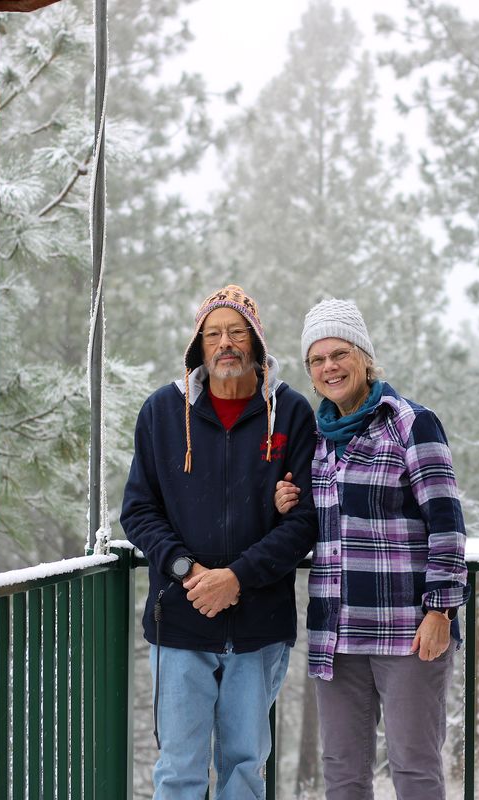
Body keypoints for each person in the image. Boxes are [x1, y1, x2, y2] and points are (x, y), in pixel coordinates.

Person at [121, 284, 318, 800]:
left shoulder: (292, 413)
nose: (225, 343)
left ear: (255, 340)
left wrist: (237, 578)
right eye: (214, 334)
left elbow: (306, 522)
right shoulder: (163, 412)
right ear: (199, 346)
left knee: (244, 770)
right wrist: (189, 570)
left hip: (260, 624)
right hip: (180, 621)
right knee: (180, 771)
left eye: (236, 332)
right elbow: (138, 511)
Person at [275, 298, 470, 800]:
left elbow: (447, 523)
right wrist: (285, 502)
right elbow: (311, 523)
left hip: (407, 629)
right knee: (342, 774)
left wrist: (441, 610)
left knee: (415, 770)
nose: (329, 367)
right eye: (317, 361)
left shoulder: (411, 423)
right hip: (336, 633)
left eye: (339, 354)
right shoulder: (314, 439)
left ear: (364, 356)